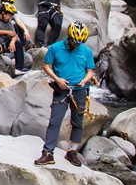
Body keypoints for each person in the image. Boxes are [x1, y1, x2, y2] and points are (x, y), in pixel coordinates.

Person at [35, 21, 97, 167]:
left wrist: (85, 80)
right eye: (75, 42)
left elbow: (90, 70)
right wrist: (57, 79)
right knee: (55, 121)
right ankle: (48, 153)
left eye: (80, 42)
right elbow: (46, 65)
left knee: (77, 122)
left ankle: (72, 152)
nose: (77, 45)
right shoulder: (56, 48)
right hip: (61, 89)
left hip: (79, 90)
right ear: (69, 37)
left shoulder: (86, 51)